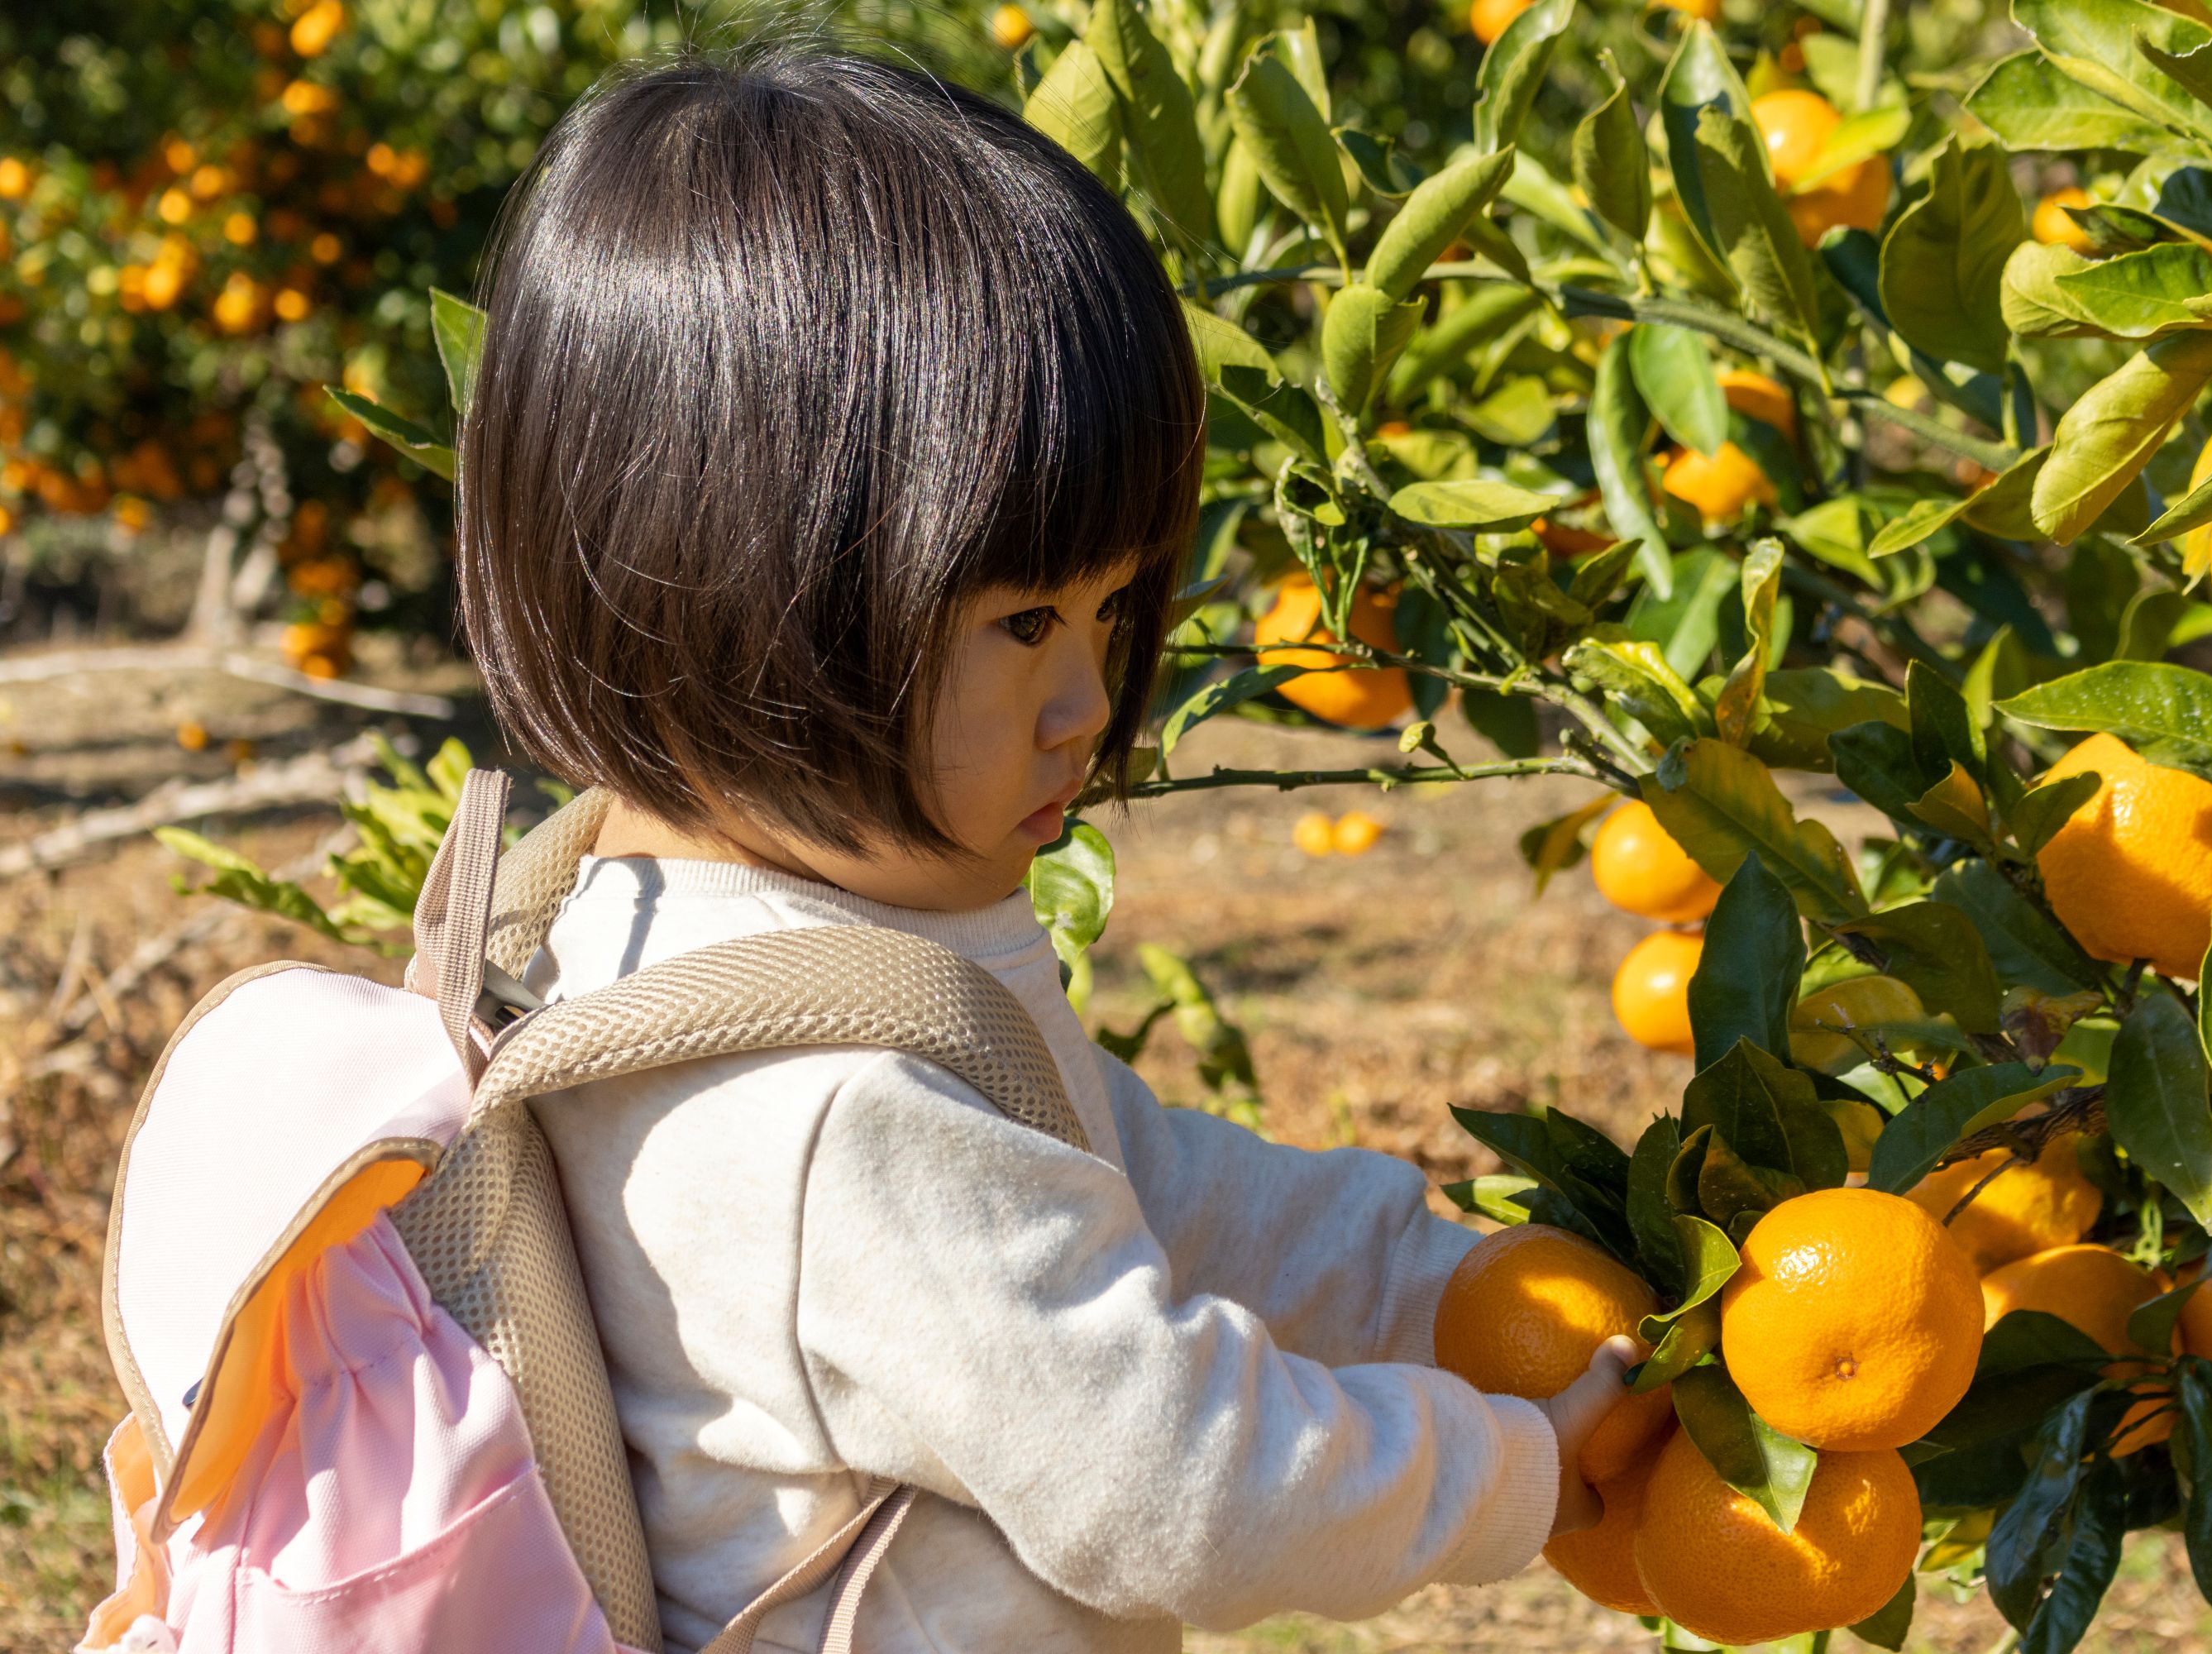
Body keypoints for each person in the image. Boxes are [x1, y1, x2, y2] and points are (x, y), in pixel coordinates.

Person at [453, 39, 1633, 1654]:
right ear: (747, 588)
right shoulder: (834, 1120)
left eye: (1116, 608)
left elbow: (1134, 1180)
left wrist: (1438, 1290)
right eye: (1024, 619)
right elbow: (1177, 1484)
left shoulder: (672, 930)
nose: (1090, 701)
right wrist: (1510, 1471)